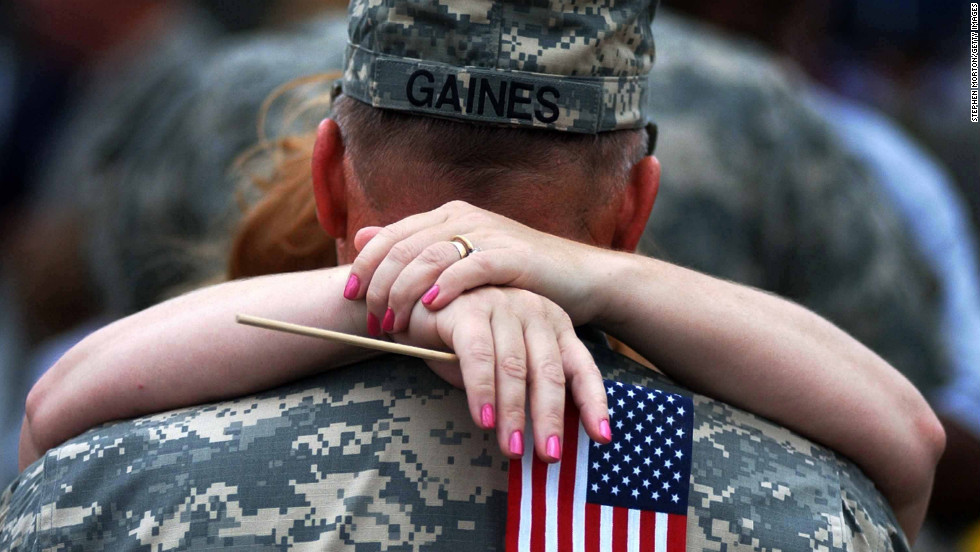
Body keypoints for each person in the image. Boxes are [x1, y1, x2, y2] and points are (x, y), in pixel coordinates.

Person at [2, 0, 943, 549]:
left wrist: (405, 288)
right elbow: (912, 448)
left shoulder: (114, 486)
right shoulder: (809, 510)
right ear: (636, 207)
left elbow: (49, 414)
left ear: (326, 178)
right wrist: (576, 279)